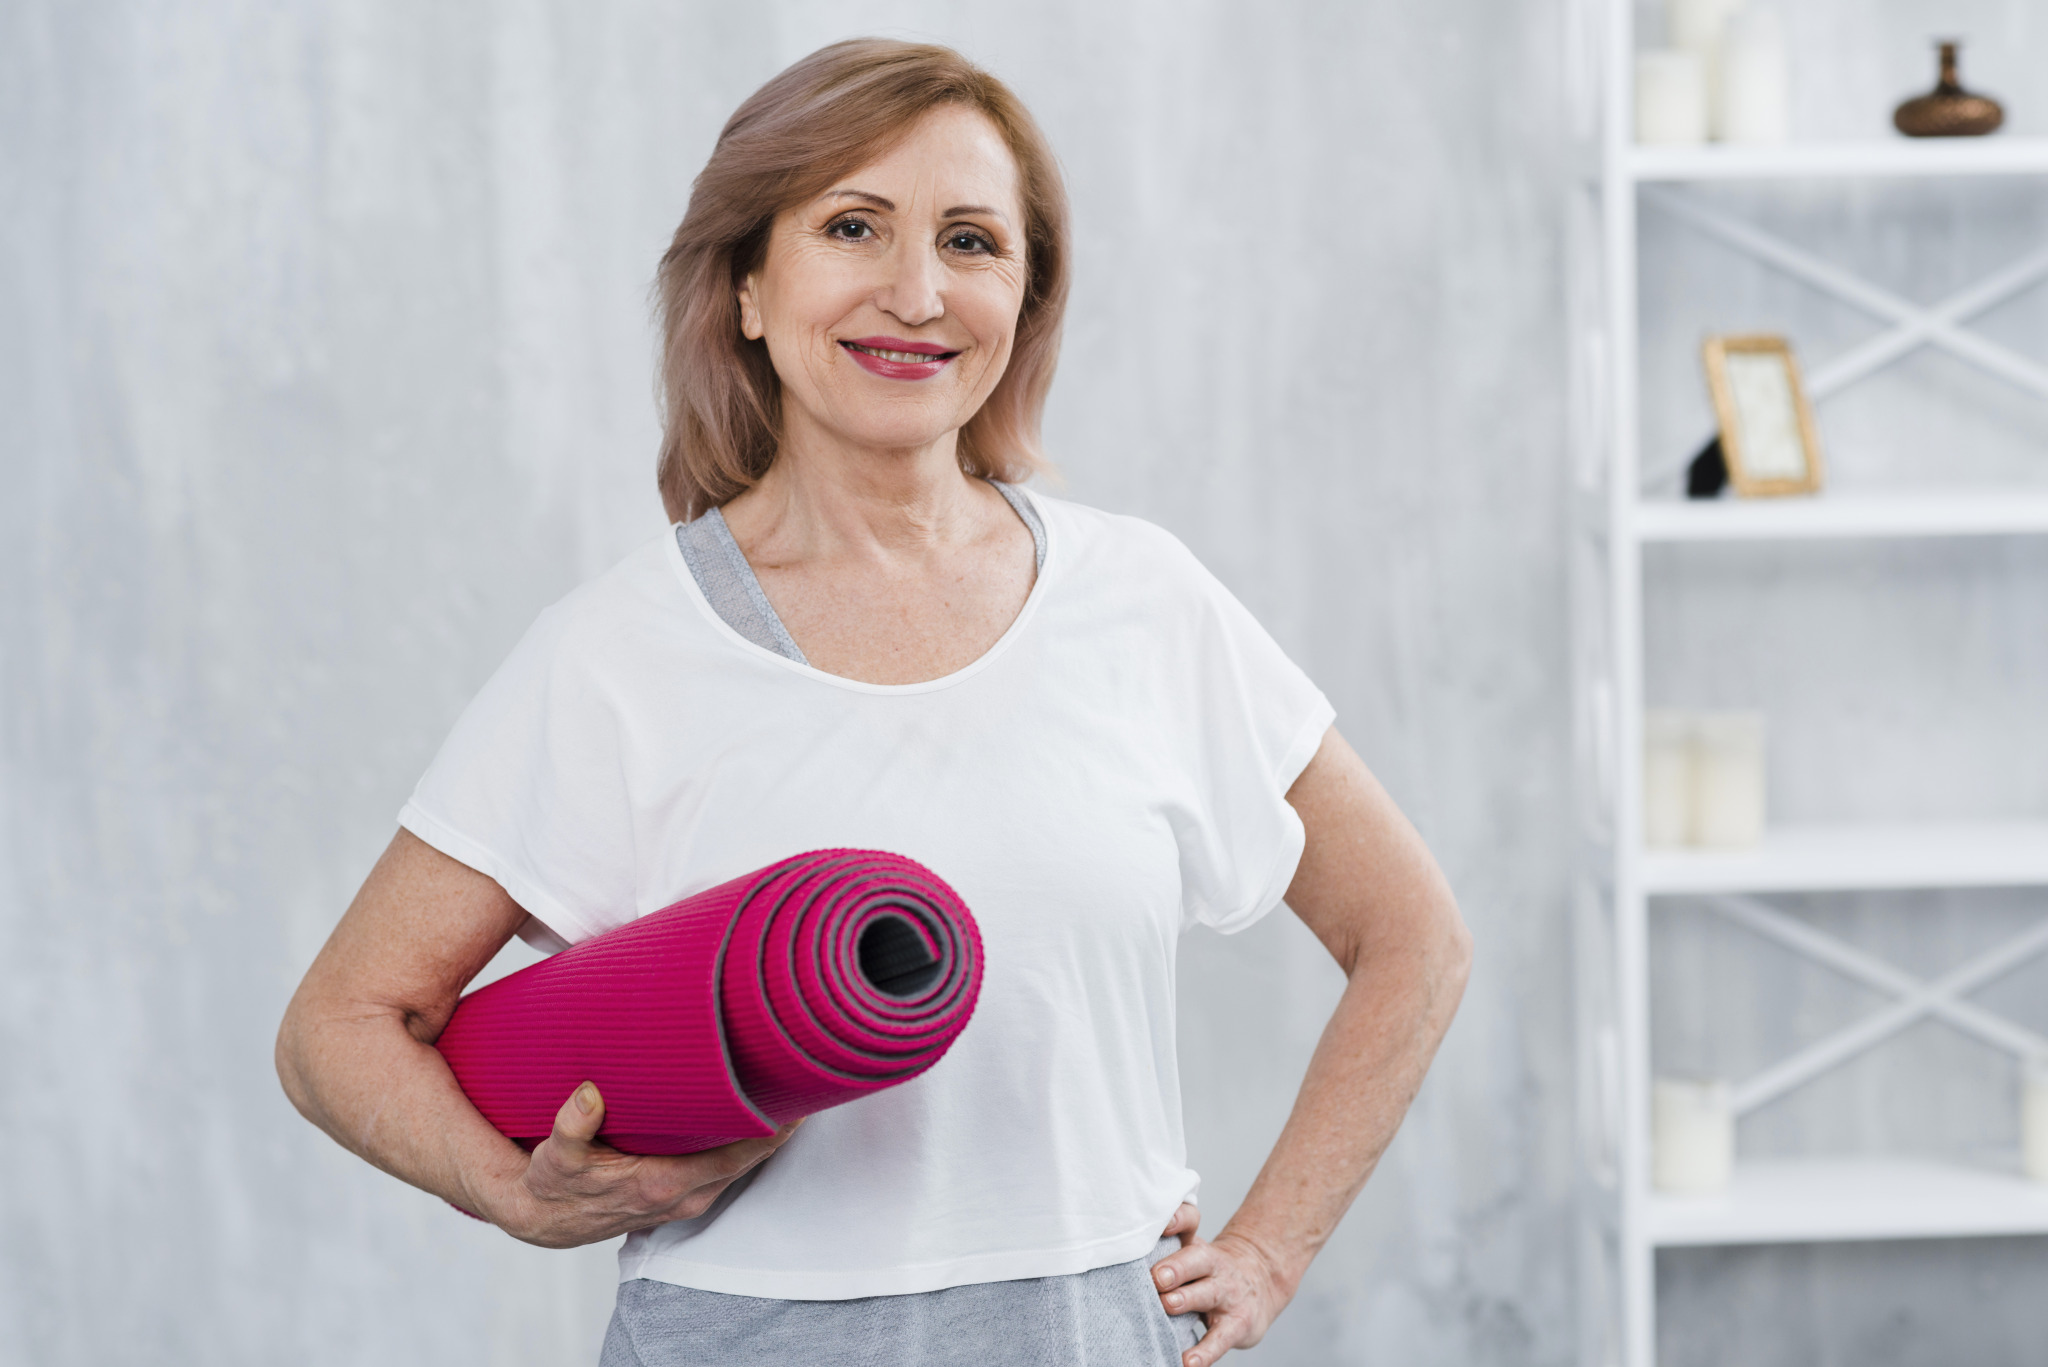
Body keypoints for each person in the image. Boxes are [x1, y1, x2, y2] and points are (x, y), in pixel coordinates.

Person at [275, 38, 1471, 1367]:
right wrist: (504, 1188)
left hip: (1086, 1332)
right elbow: (338, 1026)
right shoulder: (618, 652)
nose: (917, 292)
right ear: (744, 286)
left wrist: (1266, 1250)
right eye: (854, 227)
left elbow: (1411, 934)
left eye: (972, 241)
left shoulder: (1143, 601)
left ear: (1024, 295)